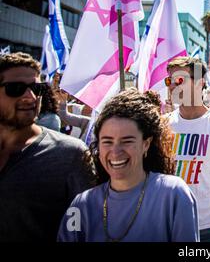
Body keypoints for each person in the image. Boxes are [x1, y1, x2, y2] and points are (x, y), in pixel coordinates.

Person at [57, 88, 199, 242]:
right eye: (107, 141)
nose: (116, 151)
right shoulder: (81, 205)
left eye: (127, 141)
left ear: (146, 144)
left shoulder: (174, 194)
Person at [0, 52, 94, 241]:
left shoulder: (70, 155)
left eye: (37, 88)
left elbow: (86, 228)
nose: (30, 97)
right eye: (16, 88)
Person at [165, 57, 210, 242]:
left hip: (206, 225)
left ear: (200, 83)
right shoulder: (162, 124)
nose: (173, 86)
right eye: (169, 81)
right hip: (167, 223)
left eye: (180, 80)